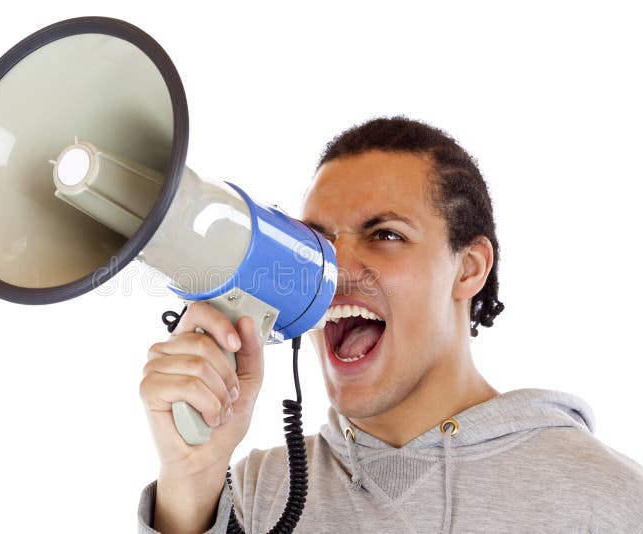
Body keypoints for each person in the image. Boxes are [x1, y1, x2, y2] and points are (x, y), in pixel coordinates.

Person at [137, 117, 643, 533]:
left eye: (385, 234)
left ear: (468, 268)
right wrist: (189, 479)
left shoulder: (607, 499)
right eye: (315, 240)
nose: (333, 270)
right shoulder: (255, 494)